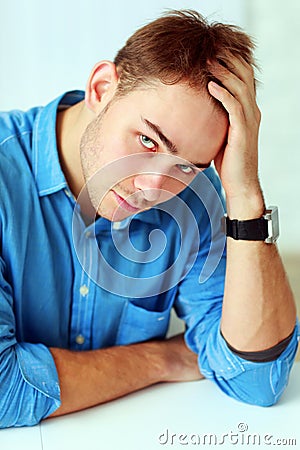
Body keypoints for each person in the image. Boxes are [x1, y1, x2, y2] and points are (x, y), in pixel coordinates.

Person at [0, 9, 298, 429]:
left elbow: (256, 379)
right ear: (102, 88)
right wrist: (167, 359)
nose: (152, 188)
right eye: (147, 140)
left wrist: (245, 192)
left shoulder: (197, 196)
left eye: (187, 165)